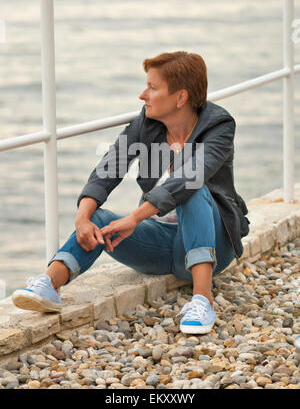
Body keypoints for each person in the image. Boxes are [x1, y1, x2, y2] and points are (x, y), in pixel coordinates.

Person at [12, 51, 250, 335]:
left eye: (152, 87)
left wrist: (134, 218)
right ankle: (49, 284)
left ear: (180, 97)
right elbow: (109, 167)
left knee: (192, 190)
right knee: (98, 219)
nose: (142, 95)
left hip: (213, 245)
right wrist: (82, 215)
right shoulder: (146, 124)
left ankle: (202, 300)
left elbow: (190, 177)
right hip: (161, 243)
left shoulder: (219, 126)